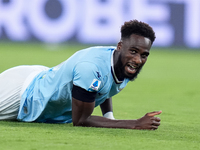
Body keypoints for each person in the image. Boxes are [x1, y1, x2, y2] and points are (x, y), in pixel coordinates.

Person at [0, 20, 162, 130]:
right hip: (22, 92)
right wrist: (135, 124)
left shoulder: (120, 63)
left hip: (44, 76)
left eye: (144, 55)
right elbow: (81, 120)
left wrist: (109, 116)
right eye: (133, 51)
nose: (138, 59)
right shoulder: (91, 68)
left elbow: (104, 85)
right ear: (120, 46)